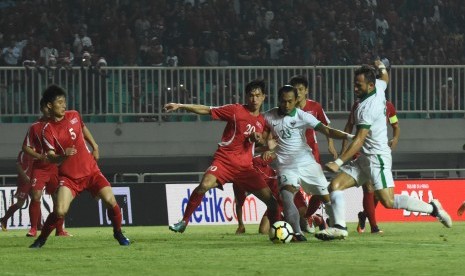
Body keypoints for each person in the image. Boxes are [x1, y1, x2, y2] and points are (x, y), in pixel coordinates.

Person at [315, 61, 452, 241]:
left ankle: (433, 208)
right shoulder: (379, 87)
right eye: (354, 84)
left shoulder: (366, 108)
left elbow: (359, 139)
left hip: (377, 158)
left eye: (359, 85)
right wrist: (380, 67)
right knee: (334, 186)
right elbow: (385, 77)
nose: (355, 88)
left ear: (370, 85)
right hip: (365, 158)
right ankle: (340, 227)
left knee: (388, 201)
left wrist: (339, 161)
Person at [165, 79, 279, 234]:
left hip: (246, 168)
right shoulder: (235, 110)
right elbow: (207, 110)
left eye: (258, 95)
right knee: (204, 185)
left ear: (264, 97)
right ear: (246, 96)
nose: (254, 99)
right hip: (225, 161)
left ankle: (279, 231)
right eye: (251, 95)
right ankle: (184, 221)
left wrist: (261, 142)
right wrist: (181, 106)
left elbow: (257, 143)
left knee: (272, 202)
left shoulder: (262, 121)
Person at [29, 85, 129, 248]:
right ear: (49, 106)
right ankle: (41, 239)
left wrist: (95, 146)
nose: (63, 105)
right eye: (59, 102)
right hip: (69, 178)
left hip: (91, 171)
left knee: (111, 201)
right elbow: (52, 158)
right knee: (60, 211)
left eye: (64, 102)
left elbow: (83, 128)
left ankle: (118, 233)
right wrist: (64, 155)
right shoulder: (47, 130)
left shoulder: (74, 115)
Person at [261, 85, 354, 241]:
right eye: (283, 101)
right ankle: (297, 233)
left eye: (290, 101)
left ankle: (337, 226)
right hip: (285, 166)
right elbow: (262, 139)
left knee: (326, 197)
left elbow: (328, 131)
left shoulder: (303, 116)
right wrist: (265, 146)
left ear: (296, 100)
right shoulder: (268, 116)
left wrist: (352, 137)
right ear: (278, 100)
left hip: (307, 163)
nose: (287, 105)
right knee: (286, 195)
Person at [341, 99, 400, 234]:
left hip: (378, 152)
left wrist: (395, 139)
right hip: (360, 150)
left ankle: (364, 215)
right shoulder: (358, 104)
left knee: (378, 193)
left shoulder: (388, 105)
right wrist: (344, 150)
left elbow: (396, 125)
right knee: (368, 187)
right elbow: (349, 125)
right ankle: (374, 227)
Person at [289, 75, 337, 233]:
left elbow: (326, 125)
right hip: (292, 154)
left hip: (311, 153)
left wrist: (330, 144)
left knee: (320, 189)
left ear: (306, 91)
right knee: (290, 186)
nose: (298, 93)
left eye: (301, 90)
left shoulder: (314, 107)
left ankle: (308, 216)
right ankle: (304, 216)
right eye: (295, 90)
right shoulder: (287, 108)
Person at [22, 98, 70, 237]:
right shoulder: (34, 127)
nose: (48, 110)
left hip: (55, 167)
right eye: (45, 108)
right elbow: (25, 147)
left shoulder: (59, 124)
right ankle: (33, 229)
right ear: (43, 108)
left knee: (57, 198)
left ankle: (59, 230)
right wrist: (38, 156)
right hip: (40, 168)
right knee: (36, 196)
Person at [234, 155, 281, 235]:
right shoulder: (238, 182)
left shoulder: (256, 161)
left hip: (281, 192)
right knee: (263, 231)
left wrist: (271, 151)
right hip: (274, 202)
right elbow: (239, 204)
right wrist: (241, 225)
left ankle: (294, 222)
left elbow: (277, 154)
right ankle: (284, 219)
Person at [0, 151, 33, 231]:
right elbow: (18, 165)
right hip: (24, 181)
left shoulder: (38, 150)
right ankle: (4, 219)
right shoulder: (24, 152)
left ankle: (37, 225)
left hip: (34, 179)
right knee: (20, 203)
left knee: (36, 200)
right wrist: (25, 176)